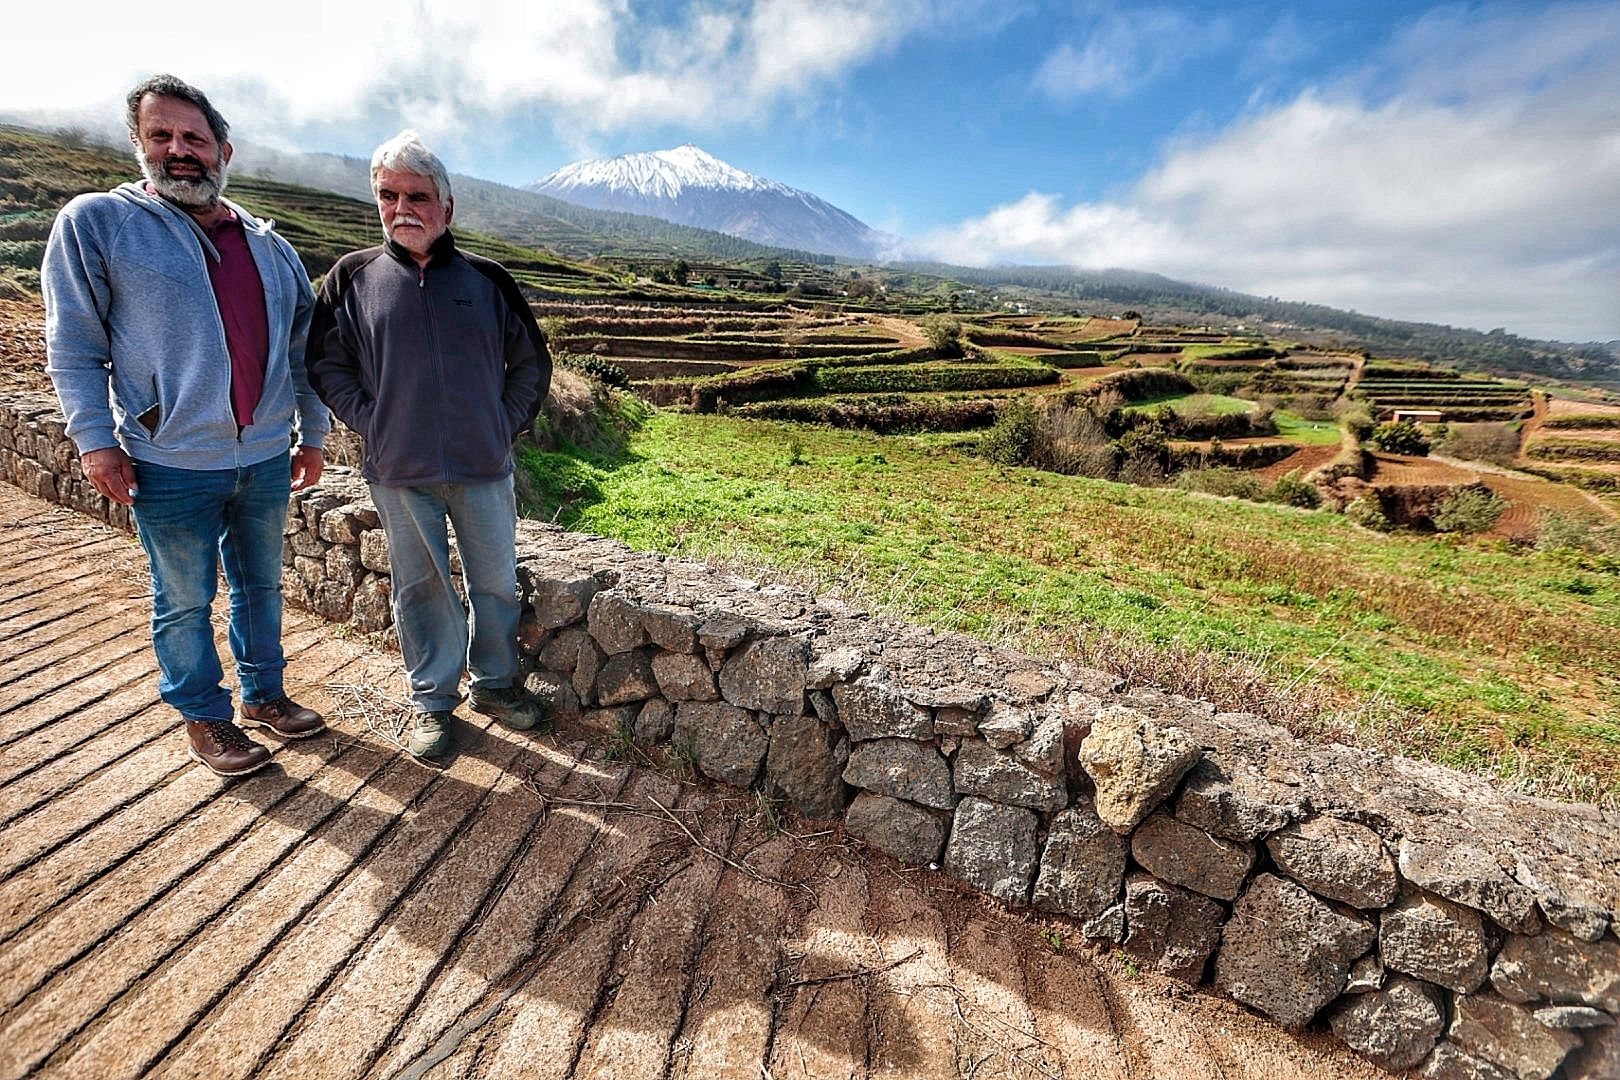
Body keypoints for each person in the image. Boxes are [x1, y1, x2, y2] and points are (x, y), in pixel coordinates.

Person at [42, 74, 331, 778]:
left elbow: (305, 350)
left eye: (193, 138)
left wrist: (313, 434)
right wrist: (95, 440)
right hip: (168, 459)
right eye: (161, 135)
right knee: (183, 600)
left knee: (262, 585)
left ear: (222, 149)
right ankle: (205, 719)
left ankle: (265, 695)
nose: (179, 150)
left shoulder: (268, 244)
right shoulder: (98, 224)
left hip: (263, 455)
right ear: (137, 144)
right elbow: (73, 344)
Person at [307, 130, 550, 759]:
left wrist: (502, 423)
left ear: (446, 208)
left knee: (495, 583)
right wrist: (373, 418)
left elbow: (531, 365)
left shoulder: (488, 281)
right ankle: (433, 702)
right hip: (398, 468)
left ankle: (495, 685)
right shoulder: (352, 278)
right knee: (421, 588)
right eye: (388, 195)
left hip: (484, 465)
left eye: (417, 195)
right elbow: (326, 364)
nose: (402, 207)